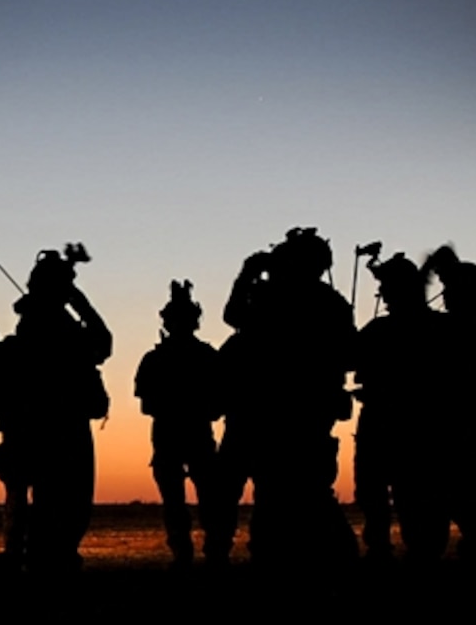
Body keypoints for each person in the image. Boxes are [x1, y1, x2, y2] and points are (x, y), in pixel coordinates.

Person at [213, 227, 358, 573]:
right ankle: (299, 557)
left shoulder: (274, 296)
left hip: (266, 413)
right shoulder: (331, 303)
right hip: (299, 414)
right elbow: (351, 355)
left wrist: (248, 274)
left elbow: (233, 315)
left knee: (270, 492)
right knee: (294, 491)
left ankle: (250, 557)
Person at [0, 244, 112, 573]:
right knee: (62, 506)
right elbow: (103, 342)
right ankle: (44, 565)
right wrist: (79, 302)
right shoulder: (63, 334)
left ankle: (31, 561)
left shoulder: (35, 330)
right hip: (60, 431)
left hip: (35, 429)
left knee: (36, 505)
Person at [352, 252, 440, 562]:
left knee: (404, 491)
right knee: (380, 491)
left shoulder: (386, 329)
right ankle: (398, 550)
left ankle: (402, 551)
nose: (383, 295)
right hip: (390, 420)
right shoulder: (434, 326)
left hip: (405, 422)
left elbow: (350, 357)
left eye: (387, 288)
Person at [134, 280, 222, 569]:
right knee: (203, 498)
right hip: (187, 434)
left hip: (174, 434)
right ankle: (210, 553)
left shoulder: (155, 359)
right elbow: (218, 405)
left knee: (184, 500)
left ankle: (190, 554)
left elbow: (147, 405)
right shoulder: (207, 357)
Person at [423, 245, 476, 560]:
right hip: (459, 418)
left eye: (450, 288)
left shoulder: (467, 323)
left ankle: (461, 553)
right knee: (456, 492)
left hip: (458, 420)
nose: (445, 294)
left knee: (459, 492)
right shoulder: (473, 319)